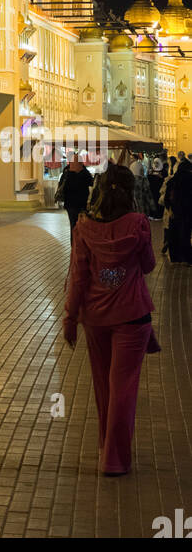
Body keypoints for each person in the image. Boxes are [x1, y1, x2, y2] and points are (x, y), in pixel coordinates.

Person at [63, 160, 160, 476]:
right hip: (132, 316)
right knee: (124, 388)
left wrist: (69, 316)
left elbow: (78, 276)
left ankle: (107, 449)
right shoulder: (139, 223)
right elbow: (148, 266)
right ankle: (115, 459)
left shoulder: (84, 226)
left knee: (104, 388)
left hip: (96, 318)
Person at [163, 155, 192, 264]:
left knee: (174, 234)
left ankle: (175, 258)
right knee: (185, 234)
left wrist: (169, 209)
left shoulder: (172, 180)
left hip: (174, 211)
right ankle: (187, 258)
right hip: (188, 211)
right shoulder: (190, 179)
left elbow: (167, 198)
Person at [57, 152, 94, 233]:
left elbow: (61, 185)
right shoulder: (83, 172)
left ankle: (75, 243)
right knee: (78, 225)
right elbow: (91, 182)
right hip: (78, 204)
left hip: (73, 204)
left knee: (74, 224)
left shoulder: (68, 171)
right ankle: (77, 242)